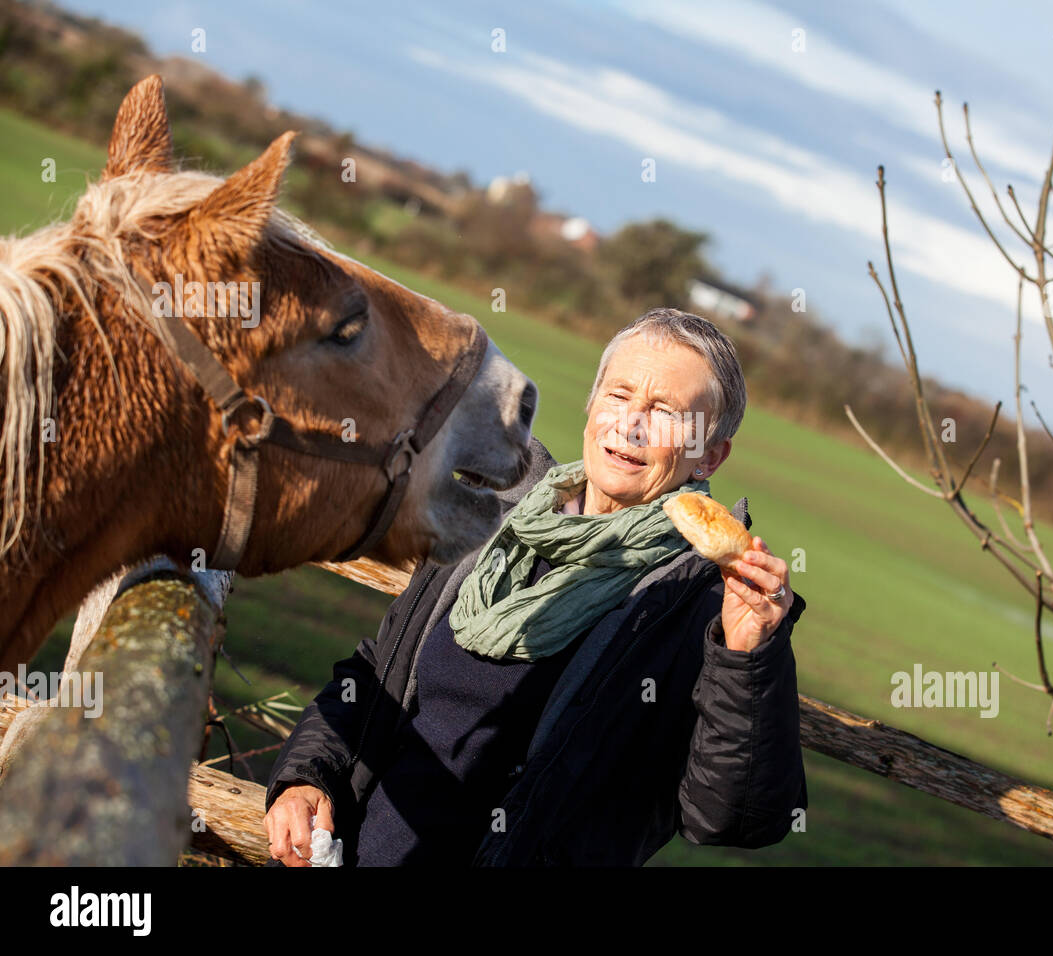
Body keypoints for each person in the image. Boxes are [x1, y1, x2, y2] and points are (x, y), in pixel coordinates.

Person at [263, 307, 807, 866]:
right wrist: (309, 778)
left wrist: (747, 660)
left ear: (711, 454)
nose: (631, 425)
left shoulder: (709, 605)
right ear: (591, 407)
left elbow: (735, 815)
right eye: (619, 396)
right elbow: (379, 675)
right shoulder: (493, 523)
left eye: (665, 412)